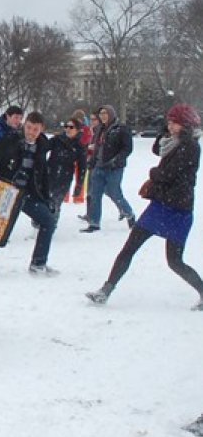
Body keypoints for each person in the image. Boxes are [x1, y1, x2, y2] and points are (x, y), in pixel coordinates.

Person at [86, 103, 203, 309]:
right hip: (160, 206)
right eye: (168, 121)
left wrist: (152, 174)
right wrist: (162, 132)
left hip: (179, 210)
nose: (169, 125)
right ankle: (106, 288)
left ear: (184, 124)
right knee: (130, 247)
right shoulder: (173, 141)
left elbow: (167, 174)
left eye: (173, 122)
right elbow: (157, 149)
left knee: (174, 261)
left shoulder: (191, 146)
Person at [0, 111, 58, 274]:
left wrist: (46, 198)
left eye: (35, 129)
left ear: (41, 130)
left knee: (48, 221)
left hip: (27, 194)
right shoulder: (10, 140)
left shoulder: (41, 146)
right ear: (24, 126)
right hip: (6, 191)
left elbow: (43, 174)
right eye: (29, 128)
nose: (31, 132)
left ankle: (38, 263)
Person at [80, 104, 136, 233]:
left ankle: (129, 213)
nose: (103, 116)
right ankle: (94, 223)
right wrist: (92, 161)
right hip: (99, 166)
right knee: (95, 194)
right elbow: (97, 147)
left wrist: (116, 160)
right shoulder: (100, 129)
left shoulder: (121, 129)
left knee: (114, 192)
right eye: (101, 114)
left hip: (114, 167)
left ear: (111, 114)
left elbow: (127, 148)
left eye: (105, 113)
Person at [47, 118, 88, 221]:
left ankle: (51, 225)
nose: (68, 129)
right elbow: (43, 149)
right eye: (66, 126)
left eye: (71, 127)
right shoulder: (57, 139)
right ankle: (37, 224)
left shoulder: (79, 146)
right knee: (43, 201)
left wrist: (79, 184)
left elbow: (82, 167)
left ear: (77, 130)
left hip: (64, 178)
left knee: (55, 204)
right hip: (49, 174)